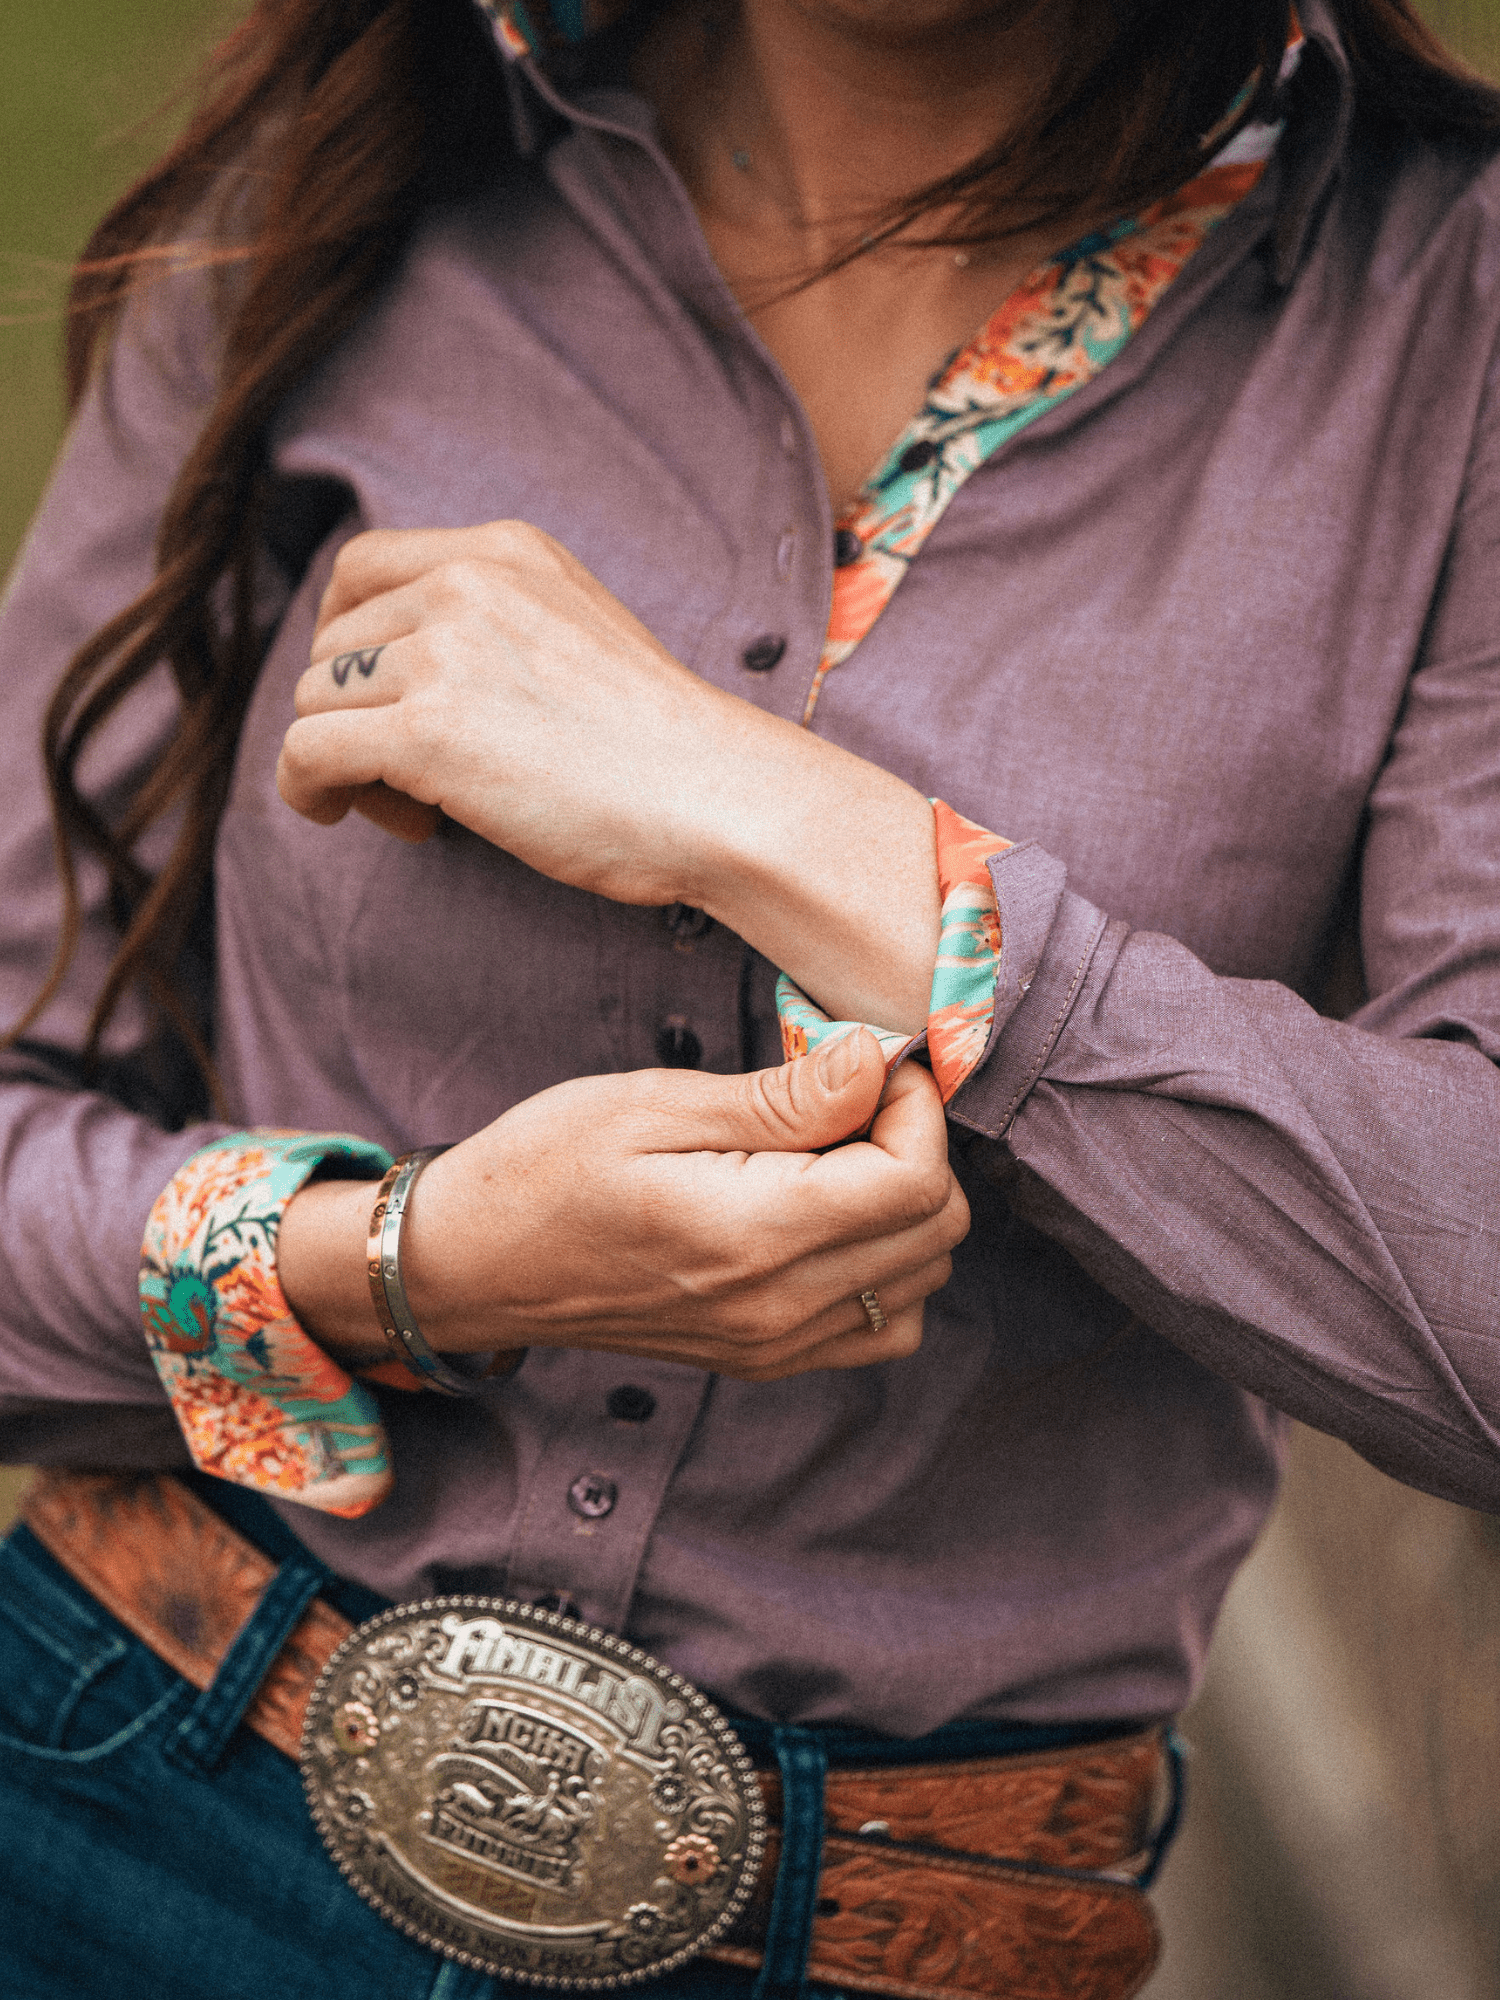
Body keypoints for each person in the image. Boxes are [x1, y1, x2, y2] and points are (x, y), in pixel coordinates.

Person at [1, 0, 1497, 1993]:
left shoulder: (1453, 320)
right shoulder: (361, 167)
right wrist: (421, 1262)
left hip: (905, 1938)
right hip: (118, 1809)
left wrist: (809, 839)